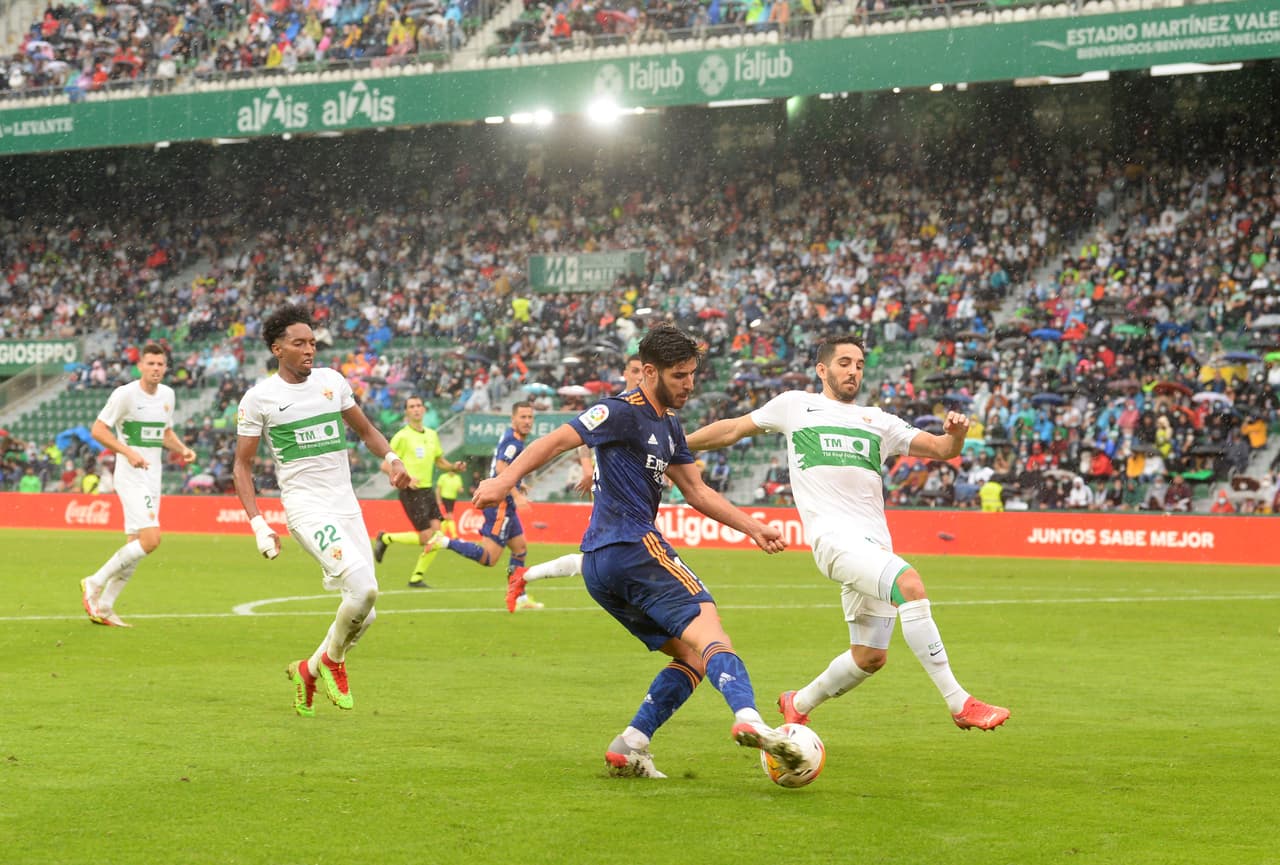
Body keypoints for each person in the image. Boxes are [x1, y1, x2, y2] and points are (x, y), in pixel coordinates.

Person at [473, 324, 805, 779]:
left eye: (692, 374)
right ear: (649, 372)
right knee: (712, 633)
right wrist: (505, 480)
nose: (689, 384)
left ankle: (630, 744)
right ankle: (750, 718)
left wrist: (752, 527)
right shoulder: (621, 411)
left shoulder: (669, 425)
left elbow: (697, 491)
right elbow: (557, 440)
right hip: (632, 547)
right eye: (679, 375)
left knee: (691, 656)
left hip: (601, 567)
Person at [686, 334, 1010, 733]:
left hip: (873, 544)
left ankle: (798, 702)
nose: (853, 370)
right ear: (822, 370)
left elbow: (943, 450)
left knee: (870, 656)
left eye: (858, 364)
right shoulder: (795, 405)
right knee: (909, 584)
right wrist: (680, 445)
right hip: (834, 543)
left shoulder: (880, 421)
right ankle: (959, 702)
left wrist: (957, 434)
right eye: (844, 363)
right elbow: (733, 429)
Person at [232, 305, 412, 718]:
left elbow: (366, 431)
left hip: (346, 506)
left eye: (313, 342)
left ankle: (308, 670)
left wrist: (393, 460)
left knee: (364, 615)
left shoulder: (332, 382)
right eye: (299, 343)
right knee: (364, 590)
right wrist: (259, 524)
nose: (309, 350)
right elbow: (242, 466)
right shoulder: (260, 398)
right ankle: (333, 661)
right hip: (306, 508)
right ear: (278, 349)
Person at [79, 343, 197, 628]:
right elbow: (98, 430)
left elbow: (163, 432)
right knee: (151, 540)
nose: (156, 368)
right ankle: (94, 582)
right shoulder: (125, 395)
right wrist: (127, 451)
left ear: (166, 367)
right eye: (151, 364)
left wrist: (181, 449)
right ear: (140, 366)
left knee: (136, 546)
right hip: (131, 477)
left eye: (160, 364)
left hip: (152, 477)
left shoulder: (168, 395)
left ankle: (105, 607)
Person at [521, 355, 646, 588]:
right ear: (625, 373)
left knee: (609, 560)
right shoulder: (613, 408)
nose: (640, 377)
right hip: (614, 489)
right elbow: (581, 438)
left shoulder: (651, 410)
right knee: (634, 552)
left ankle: (525, 575)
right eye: (635, 371)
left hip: (640, 490)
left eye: (643, 371)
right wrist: (588, 470)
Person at [428, 402, 543, 611]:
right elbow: (501, 467)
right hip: (501, 506)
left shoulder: (513, 437)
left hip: (505, 504)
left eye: (530, 417)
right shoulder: (513, 442)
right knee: (489, 558)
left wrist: (518, 483)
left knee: (520, 548)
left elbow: (503, 467)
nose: (527, 421)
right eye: (523, 417)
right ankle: (444, 541)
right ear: (513, 419)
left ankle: (519, 596)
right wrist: (516, 494)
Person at [372, 395, 467, 588]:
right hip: (411, 492)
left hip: (427, 491)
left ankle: (416, 578)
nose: (416, 409)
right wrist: (405, 479)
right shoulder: (401, 436)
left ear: (424, 410)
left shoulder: (432, 434)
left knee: (437, 537)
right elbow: (384, 465)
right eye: (411, 406)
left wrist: (453, 467)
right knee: (426, 537)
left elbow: (439, 461)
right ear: (407, 412)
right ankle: (386, 538)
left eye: (419, 405)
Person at [435, 468, 465, 539]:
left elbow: (459, 488)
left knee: (447, 517)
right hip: (444, 498)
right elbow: (438, 489)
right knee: (450, 516)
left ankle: (441, 535)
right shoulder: (443, 477)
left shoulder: (457, 477)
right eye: (451, 471)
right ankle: (454, 536)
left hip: (452, 499)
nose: (452, 473)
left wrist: (460, 490)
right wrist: (438, 499)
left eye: (454, 471)